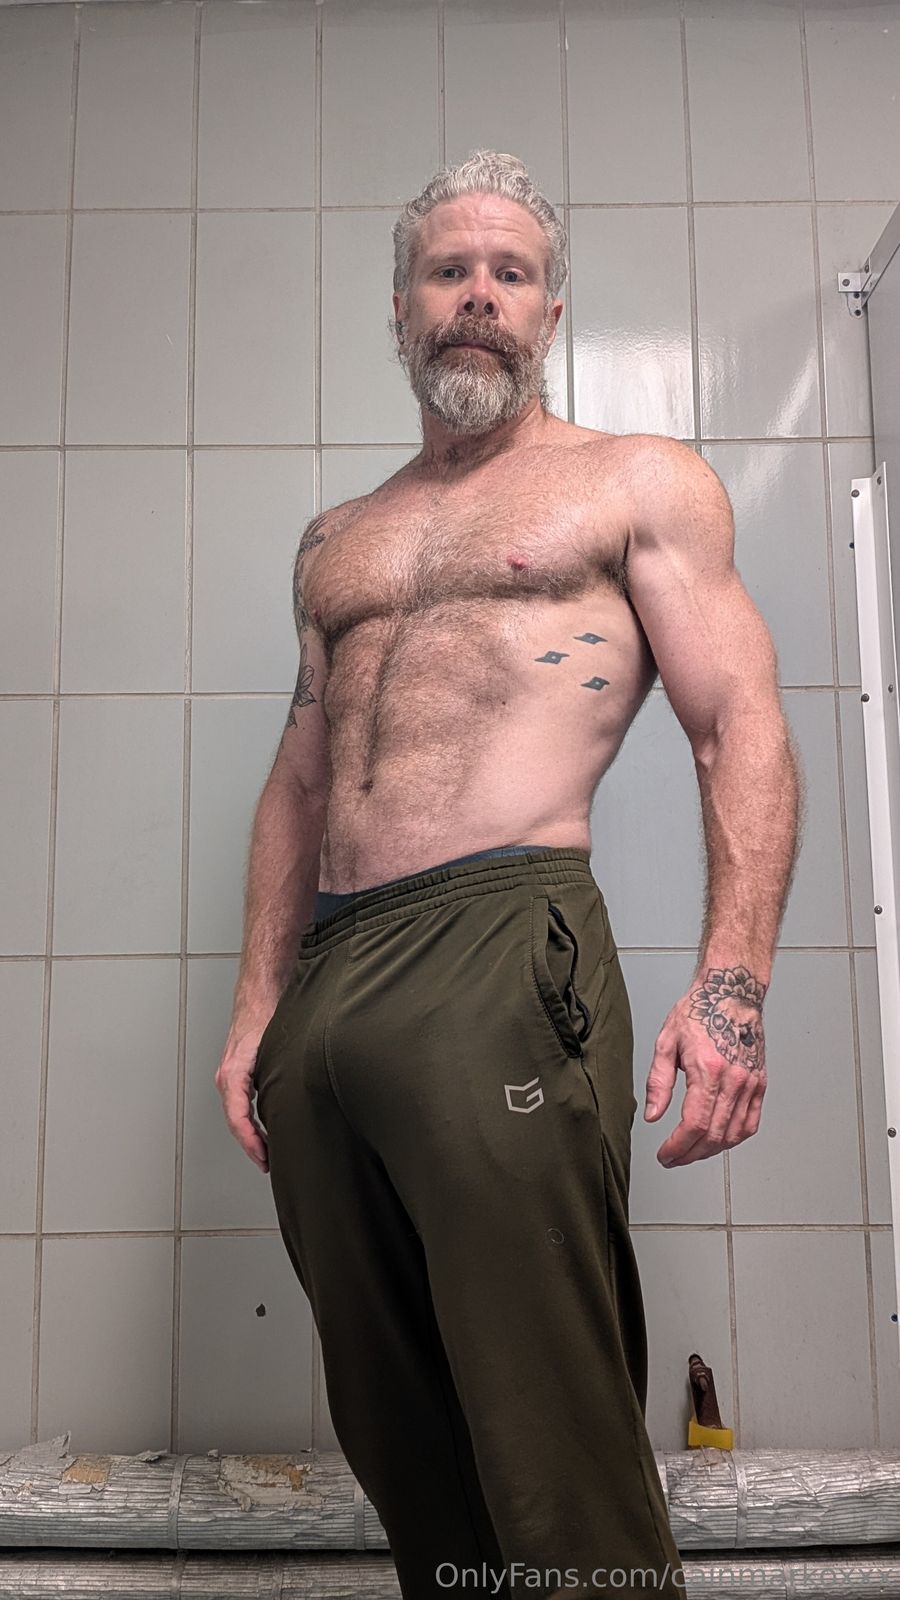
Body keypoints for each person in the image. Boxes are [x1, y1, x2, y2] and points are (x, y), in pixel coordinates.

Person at [215, 150, 802, 1599]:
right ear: (401, 305)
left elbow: (737, 723)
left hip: (499, 945)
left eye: (510, 272)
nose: (478, 294)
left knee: (547, 1427)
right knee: (398, 1425)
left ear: (549, 308)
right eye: (448, 270)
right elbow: (300, 780)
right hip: (330, 981)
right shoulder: (338, 539)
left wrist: (731, 990)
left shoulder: (633, 482)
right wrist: (254, 1008)